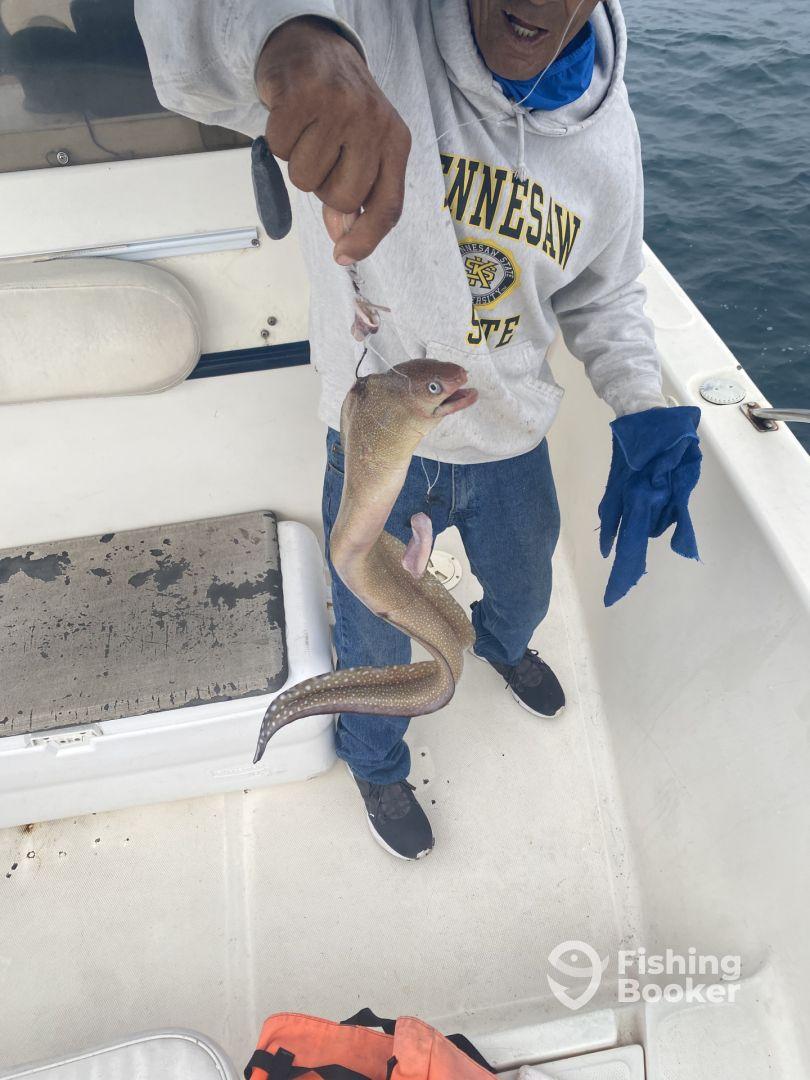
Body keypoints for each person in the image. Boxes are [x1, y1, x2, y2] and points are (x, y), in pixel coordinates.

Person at [135, 0, 677, 861]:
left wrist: (644, 406)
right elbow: (184, 48)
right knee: (371, 636)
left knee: (526, 589)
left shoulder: (611, 142)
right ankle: (376, 760)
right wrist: (294, 40)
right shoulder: (369, 21)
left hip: (508, 438)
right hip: (377, 445)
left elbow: (605, 296)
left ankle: (500, 646)